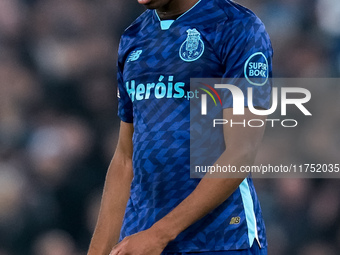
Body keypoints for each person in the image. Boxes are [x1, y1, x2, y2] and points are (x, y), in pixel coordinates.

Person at [87, 0, 273, 254]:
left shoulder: (236, 27)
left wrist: (160, 233)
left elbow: (241, 152)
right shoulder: (134, 37)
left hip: (222, 240)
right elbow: (124, 159)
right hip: (143, 240)